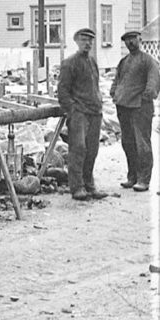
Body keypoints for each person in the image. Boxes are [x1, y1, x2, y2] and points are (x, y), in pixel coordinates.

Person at [57, 28, 108, 201]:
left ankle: (89, 186)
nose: (87, 43)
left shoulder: (92, 61)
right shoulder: (69, 63)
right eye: (84, 40)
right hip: (79, 113)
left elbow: (94, 86)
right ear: (76, 41)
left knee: (92, 150)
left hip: (95, 112)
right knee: (78, 149)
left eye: (90, 40)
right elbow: (62, 92)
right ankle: (77, 187)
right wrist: (73, 111)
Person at [110, 30, 159, 192]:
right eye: (127, 40)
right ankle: (132, 176)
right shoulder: (124, 61)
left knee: (142, 144)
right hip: (123, 107)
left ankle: (144, 179)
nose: (130, 43)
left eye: (133, 39)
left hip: (140, 108)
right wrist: (114, 93)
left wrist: (144, 98)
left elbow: (153, 83)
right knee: (128, 143)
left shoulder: (148, 61)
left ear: (140, 39)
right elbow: (117, 80)